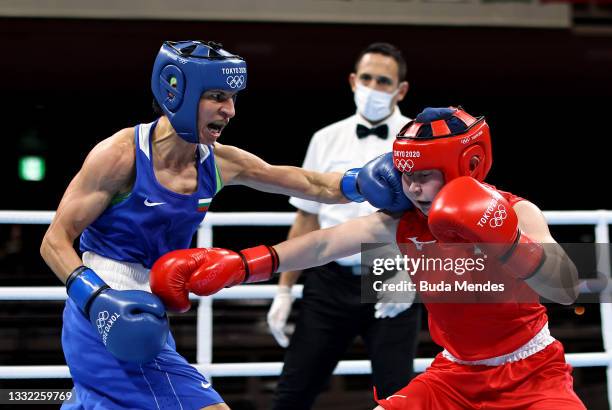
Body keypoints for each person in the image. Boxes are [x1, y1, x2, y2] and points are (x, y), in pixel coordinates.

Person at [151, 106, 585, 409]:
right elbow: (323, 243)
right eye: (406, 175)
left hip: (532, 373)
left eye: (423, 177)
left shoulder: (517, 213)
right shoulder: (402, 222)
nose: (411, 188)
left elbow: (568, 288)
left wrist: (508, 242)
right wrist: (243, 265)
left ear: (464, 167)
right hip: (455, 375)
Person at [40, 40, 357, 410]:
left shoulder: (219, 162)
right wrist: (95, 298)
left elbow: (316, 185)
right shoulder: (120, 155)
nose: (230, 110)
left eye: (234, 98)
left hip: (150, 312)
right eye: (218, 96)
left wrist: (372, 182)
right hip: (102, 312)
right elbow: (54, 241)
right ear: (178, 92)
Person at [264, 42, 420, 409]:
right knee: (293, 390)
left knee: (397, 396)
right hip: (329, 279)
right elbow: (307, 217)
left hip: (392, 273)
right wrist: (284, 290)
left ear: (401, 90)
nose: (373, 87)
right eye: (366, 78)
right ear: (353, 81)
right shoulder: (325, 138)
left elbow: (437, 221)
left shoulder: (420, 142)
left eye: (383, 81)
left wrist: (413, 276)